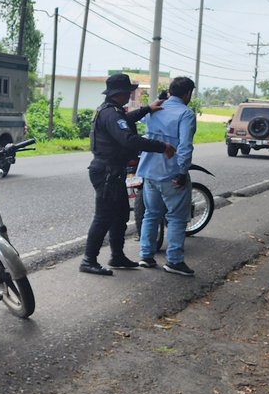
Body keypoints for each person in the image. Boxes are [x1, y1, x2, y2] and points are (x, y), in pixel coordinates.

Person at [81, 73, 175, 276]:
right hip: (107, 172)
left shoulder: (111, 111)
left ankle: (117, 256)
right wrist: (162, 146)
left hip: (112, 172)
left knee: (121, 215)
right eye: (128, 93)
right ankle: (88, 260)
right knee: (103, 217)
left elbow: (126, 119)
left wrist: (147, 109)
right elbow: (129, 139)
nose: (129, 96)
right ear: (121, 93)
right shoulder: (111, 114)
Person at [137, 76, 197, 276]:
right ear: (188, 93)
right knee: (177, 218)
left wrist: (158, 99)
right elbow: (185, 145)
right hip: (171, 173)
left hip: (149, 171)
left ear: (170, 91)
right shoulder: (186, 114)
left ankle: (146, 256)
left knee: (151, 214)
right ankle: (174, 260)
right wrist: (182, 172)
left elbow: (144, 122)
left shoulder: (155, 109)